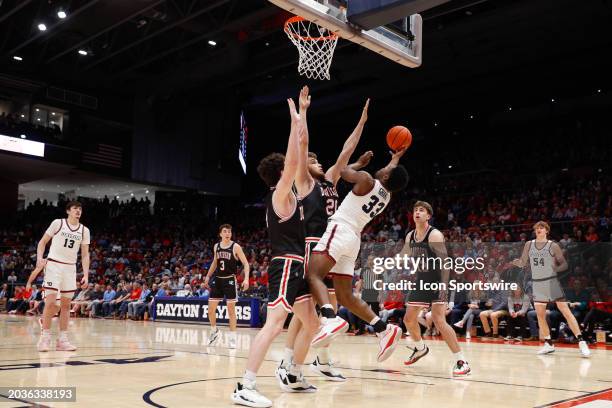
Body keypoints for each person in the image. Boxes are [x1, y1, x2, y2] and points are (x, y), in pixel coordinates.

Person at [231, 91, 320, 408]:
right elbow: (296, 158)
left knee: (312, 323)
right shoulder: (279, 195)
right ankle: (245, 384)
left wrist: (304, 117)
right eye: (289, 169)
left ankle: (293, 373)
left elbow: (302, 153)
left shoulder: (289, 194)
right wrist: (293, 125)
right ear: (281, 174)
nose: (293, 171)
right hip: (285, 265)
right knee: (273, 324)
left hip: (298, 267)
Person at [278, 94, 371, 383]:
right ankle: (288, 360)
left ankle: (321, 358)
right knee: (309, 312)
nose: (317, 162)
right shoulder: (303, 182)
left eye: (318, 160)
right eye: (312, 161)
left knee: (328, 307)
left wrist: (362, 122)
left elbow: (345, 152)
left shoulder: (329, 180)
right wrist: (303, 114)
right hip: (311, 248)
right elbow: (302, 145)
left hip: (331, 246)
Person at [306, 140, 409, 362]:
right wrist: (396, 158)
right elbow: (391, 172)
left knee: (313, 274)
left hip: (339, 228)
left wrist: (359, 163)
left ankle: (329, 317)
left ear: (387, 177)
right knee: (345, 295)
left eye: (388, 169)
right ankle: (384, 329)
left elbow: (342, 170)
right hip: (354, 239)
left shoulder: (366, 179)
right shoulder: (387, 195)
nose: (385, 167)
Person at [401, 201, 471, 376]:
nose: (417, 212)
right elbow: (405, 254)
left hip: (437, 279)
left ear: (428, 216)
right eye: (415, 210)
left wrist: (443, 285)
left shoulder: (434, 235)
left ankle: (461, 361)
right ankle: (420, 347)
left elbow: (445, 262)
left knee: (439, 320)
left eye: (422, 210)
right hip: (420, 279)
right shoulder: (410, 235)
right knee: (408, 319)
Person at [512, 221, 590, 357]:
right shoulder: (529, 244)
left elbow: (564, 265)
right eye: (536, 228)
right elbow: (523, 262)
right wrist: (516, 262)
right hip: (537, 283)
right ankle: (548, 343)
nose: (538, 229)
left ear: (547, 231)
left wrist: (555, 269)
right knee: (540, 315)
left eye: (541, 228)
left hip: (551, 282)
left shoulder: (552, 246)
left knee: (566, 311)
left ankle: (581, 341)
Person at [36, 201, 90, 352]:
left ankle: (62, 340)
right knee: (51, 303)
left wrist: (86, 274)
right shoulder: (58, 223)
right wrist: (40, 258)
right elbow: (42, 242)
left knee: (66, 305)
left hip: (70, 268)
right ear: (68, 211)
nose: (78, 211)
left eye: (80, 208)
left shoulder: (84, 230)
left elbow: (85, 255)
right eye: (75, 208)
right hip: (53, 265)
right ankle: (45, 338)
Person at [204, 224, 250, 349]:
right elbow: (215, 262)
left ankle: (233, 338)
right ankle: (214, 331)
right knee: (210, 310)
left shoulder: (236, 247)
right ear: (220, 234)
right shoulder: (216, 247)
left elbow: (246, 264)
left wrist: (246, 279)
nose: (227, 233)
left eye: (229, 231)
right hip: (218, 280)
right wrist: (207, 277)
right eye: (225, 231)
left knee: (231, 310)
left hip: (230, 280)